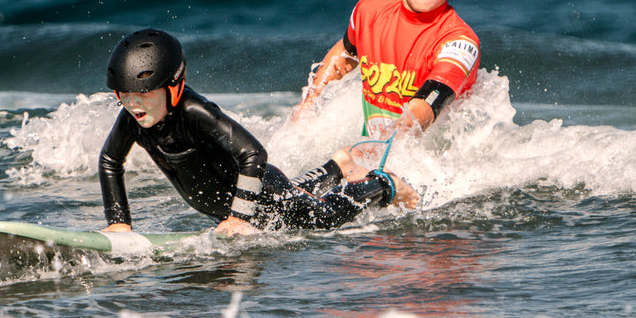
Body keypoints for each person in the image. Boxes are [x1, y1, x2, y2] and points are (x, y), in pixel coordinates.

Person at [98, 28, 416, 236]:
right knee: (296, 195)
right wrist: (119, 223)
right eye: (124, 95)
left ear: (174, 87)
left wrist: (240, 216)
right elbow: (110, 161)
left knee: (318, 217)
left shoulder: (197, 113)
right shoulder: (133, 118)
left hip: (261, 192)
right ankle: (338, 166)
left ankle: (384, 184)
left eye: (143, 94)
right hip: (242, 203)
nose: (133, 104)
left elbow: (253, 154)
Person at [291, 0, 479, 183]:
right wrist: (308, 104)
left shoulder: (459, 41)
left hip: (436, 174)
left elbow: (427, 106)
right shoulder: (368, 14)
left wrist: (381, 146)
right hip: (375, 158)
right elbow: (343, 57)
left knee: (346, 165)